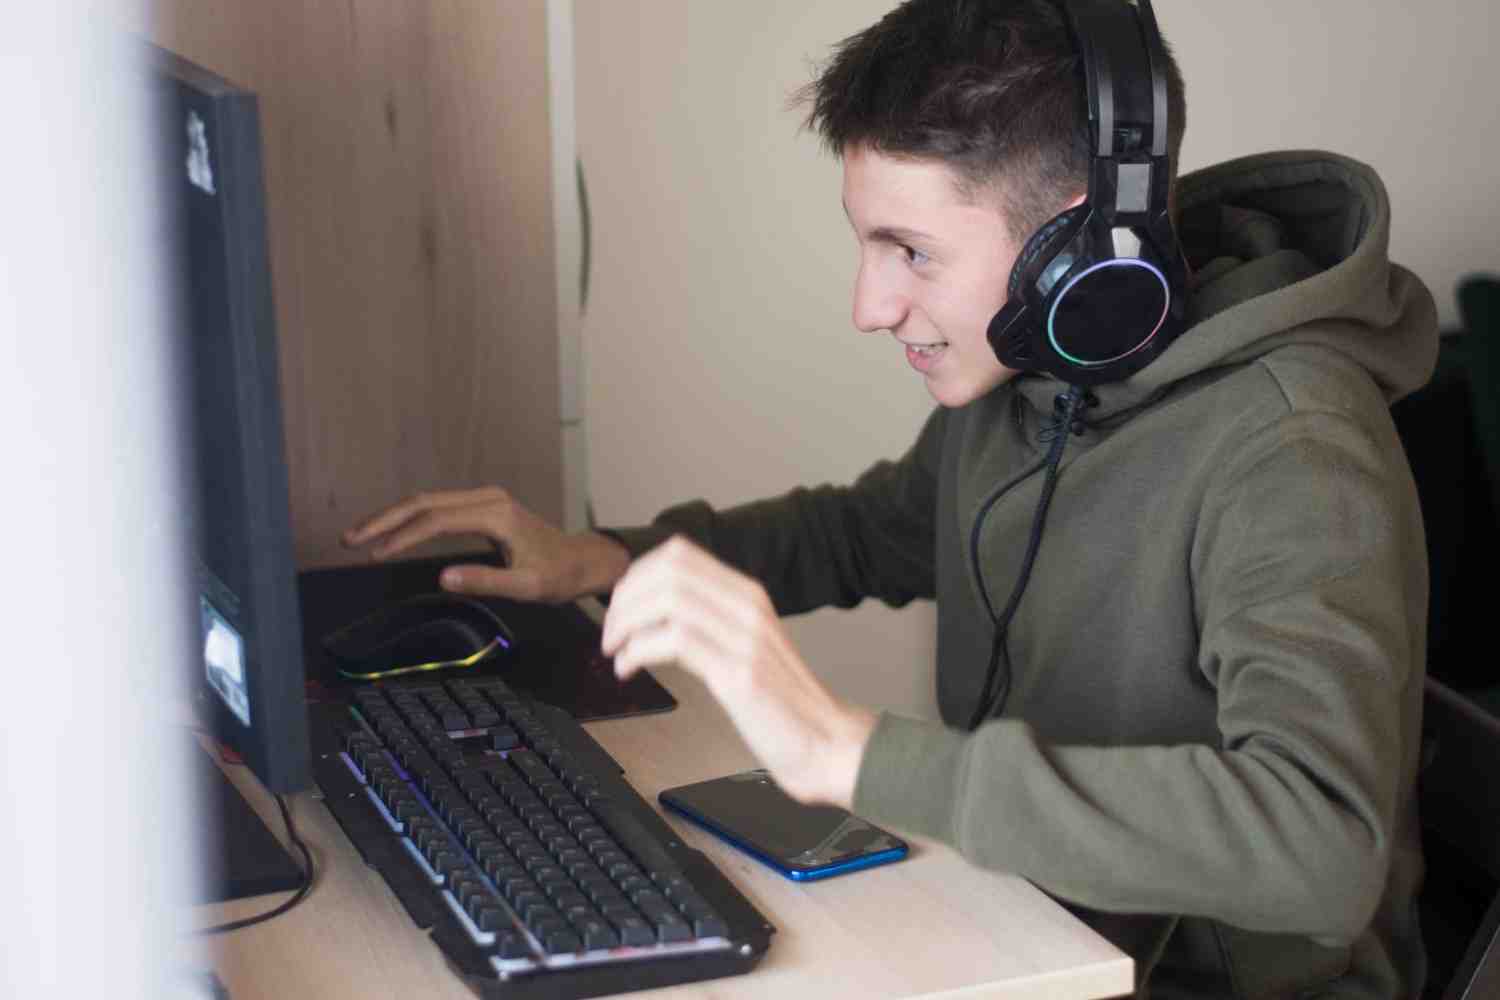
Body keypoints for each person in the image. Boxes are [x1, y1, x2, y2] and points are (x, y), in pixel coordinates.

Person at [343, 1, 1438, 995]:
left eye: (909, 251)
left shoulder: (1293, 449)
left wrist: (849, 750)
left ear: (1078, 245)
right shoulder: (1034, 372)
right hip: (1026, 921)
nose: (872, 305)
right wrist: (604, 559)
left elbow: (1322, 848)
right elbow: (869, 534)